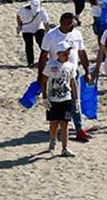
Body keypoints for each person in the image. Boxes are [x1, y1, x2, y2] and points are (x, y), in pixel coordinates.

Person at [38, 13, 93, 142]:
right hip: (56, 75)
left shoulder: (77, 34)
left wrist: (87, 70)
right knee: (58, 102)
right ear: (62, 22)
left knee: (75, 100)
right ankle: (57, 127)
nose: (72, 25)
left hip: (73, 72)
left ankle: (79, 128)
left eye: (73, 23)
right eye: (69, 23)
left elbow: (82, 53)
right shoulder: (51, 35)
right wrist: (40, 76)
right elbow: (43, 56)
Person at [39, 41, 78, 157]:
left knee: (65, 124)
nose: (67, 56)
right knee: (54, 123)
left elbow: (73, 82)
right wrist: (45, 97)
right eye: (65, 54)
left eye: (68, 53)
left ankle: (65, 148)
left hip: (66, 99)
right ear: (59, 53)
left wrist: (76, 99)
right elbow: (44, 80)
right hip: (53, 100)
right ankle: (52, 139)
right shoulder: (51, 65)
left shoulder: (70, 66)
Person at [17, 0, 50, 67]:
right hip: (26, 29)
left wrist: (47, 33)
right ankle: (30, 62)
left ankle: (46, 58)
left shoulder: (42, 11)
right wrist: (19, 25)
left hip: (38, 28)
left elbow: (46, 23)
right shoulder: (23, 8)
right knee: (29, 46)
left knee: (42, 44)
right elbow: (18, 16)